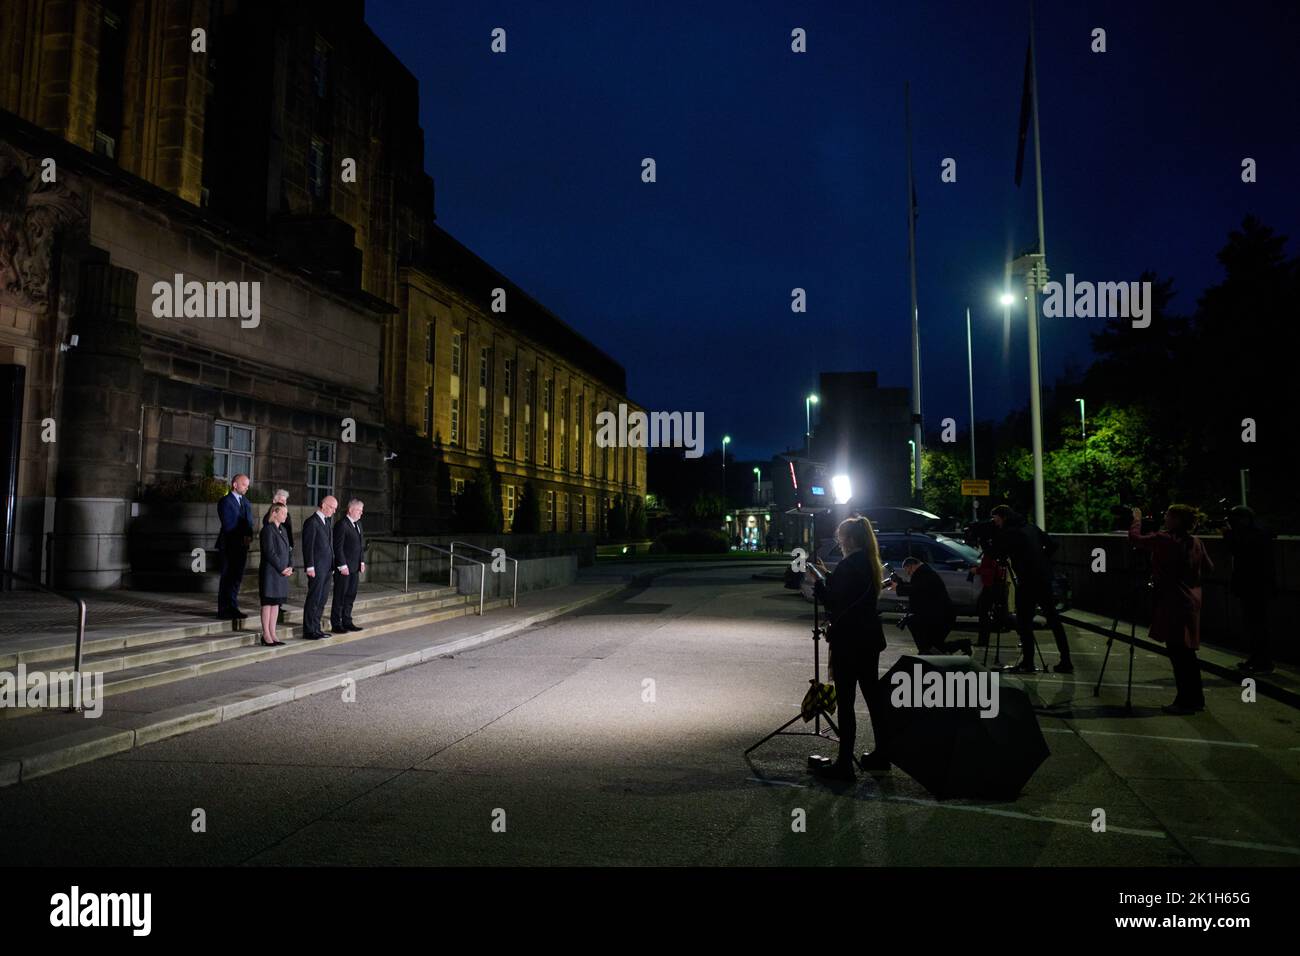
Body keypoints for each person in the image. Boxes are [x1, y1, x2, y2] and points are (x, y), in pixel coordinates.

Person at [810, 516, 892, 781]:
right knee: (873, 698)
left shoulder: (849, 564)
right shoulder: (868, 562)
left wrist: (820, 584)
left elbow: (836, 601)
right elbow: (852, 593)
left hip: (849, 641)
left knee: (846, 702)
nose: (839, 541)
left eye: (841, 537)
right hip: (869, 639)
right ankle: (882, 755)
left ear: (851, 539)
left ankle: (844, 764)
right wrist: (830, 577)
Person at [1129, 505, 1213, 714]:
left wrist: (1136, 519)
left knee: (1178, 654)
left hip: (1172, 601)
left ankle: (1184, 701)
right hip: (1191, 599)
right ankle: (1196, 699)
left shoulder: (1165, 540)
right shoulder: (1195, 541)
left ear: (1176, 520)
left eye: (1168, 515)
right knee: (1188, 655)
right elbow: (1209, 568)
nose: (1164, 517)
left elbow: (1135, 539)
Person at [989, 504, 1073, 674]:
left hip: (1028, 581)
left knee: (1024, 622)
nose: (995, 523)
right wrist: (1042, 559)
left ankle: (1028, 662)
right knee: (1054, 620)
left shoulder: (1010, 533)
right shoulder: (1030, 527)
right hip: (1043, 578)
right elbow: (1053, 544)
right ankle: (1066, 660)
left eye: (996, 519)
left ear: (1003, 517)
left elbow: (996, 553)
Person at [1223, 507, 1277, 674]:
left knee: (1256, 624)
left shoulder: (1252, 536)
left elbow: (1239, 550)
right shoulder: (1261, 532)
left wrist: (1228, 535)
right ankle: (1258, 658)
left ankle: (1262, 661)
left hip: (1253, 584)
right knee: (1255, 624)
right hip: (1258, 584)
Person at [886, 557, 967, 655]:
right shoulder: (923, 572)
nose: (908, 574)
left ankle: (927, 658)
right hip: (938, 615)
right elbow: (916, 587)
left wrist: (899, 588)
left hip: (941, 616)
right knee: (933, 646)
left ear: (912, 566)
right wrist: (900, 584)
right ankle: (961, 645)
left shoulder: (925, 574)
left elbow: (917, 589)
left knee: (930, 645)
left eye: (908, 571)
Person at [215, 474, 255, 620]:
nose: (246, 487)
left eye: (247, 485)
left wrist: (248, 536)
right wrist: (242, 537)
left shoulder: (246, 502)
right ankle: (223, 609)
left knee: (236, 578)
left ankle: (233, 607)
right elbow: (229, 524)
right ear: (235, 484)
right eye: (244, 484)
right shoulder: (225, 501)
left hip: (242, 547)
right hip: (229, 546)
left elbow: (250, 523)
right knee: (227, 578)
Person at [301, 495, 338, 640]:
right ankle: (309, 630)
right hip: (316, 567)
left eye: (335, 508)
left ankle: (316, 628)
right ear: (323, 505)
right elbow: (308, 546)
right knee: (314, 599)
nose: (333, 511)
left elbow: (329, 546)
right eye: (331, 507)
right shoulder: (312, 522)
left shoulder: (326, 522)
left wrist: (332, 565)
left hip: (327, 568)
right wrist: (309, 566)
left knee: (322, 600)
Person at [257, 503, 294, 646]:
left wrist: (290, 566)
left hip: (281, 573)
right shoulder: (267, 530)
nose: (286, 516)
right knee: (267, 603)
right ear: (274, 513)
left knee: (276, 604)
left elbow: (289, 550)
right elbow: (269, 552)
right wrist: (282, 567)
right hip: (271, 573)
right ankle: (266, 634)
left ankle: (273, 632)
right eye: (283, 513)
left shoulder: (283, 530)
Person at [331, 498, 367, 634]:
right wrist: (341, 565)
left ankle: (347, 621)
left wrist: (362, 562)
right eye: (359, 510)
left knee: (351, 595)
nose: (361, 513)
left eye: (361, 511)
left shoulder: (358, 524)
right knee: (340, 596)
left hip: (354, 567)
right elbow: (338, 547)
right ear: (351, 510)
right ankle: (336, 623)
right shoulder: (342, 524)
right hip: (344, 568)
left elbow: (360, 545)